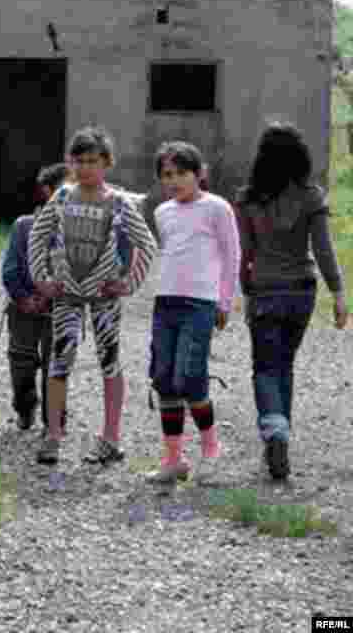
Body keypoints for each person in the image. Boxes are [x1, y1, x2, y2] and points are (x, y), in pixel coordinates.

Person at [28, 127, 157, 465]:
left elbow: (147, 244)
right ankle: (53, 435)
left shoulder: (118, 202)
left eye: (93, 161)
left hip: (104, 297)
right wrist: (42, 280)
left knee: (110, 361)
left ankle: (111, 438)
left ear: (107, 163)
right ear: (71, 163)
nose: (86, 168)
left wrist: (128, 283)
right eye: (79, 161)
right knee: (60, 359)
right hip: (66, 295)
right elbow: (37, 238)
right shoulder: (61, 198)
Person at [235, 122, 347, 480]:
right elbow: (324, 250)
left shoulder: (249, 199)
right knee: (285, 364)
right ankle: (279, 435)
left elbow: (245, 253)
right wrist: (339, 294)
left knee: (266, 367)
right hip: (301, 292)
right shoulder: (311, 196)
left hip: (265, 291)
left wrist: (244, 288)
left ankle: (275, 433)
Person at [146, 142, 240, 484]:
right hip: (165, 302)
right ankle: (174, 459)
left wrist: (225, 301)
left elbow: (232, 256)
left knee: (190, 377)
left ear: (199, 174)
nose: (174, 181)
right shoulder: (163, 212)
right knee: (164, 378)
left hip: (200, 304)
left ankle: (211, 451)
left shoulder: (218, 208)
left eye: (182, 173)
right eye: (167, 175)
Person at [2, 163, 68, 431]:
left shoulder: (81, 232)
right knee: (22, 362)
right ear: (47, 191)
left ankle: (54, 420)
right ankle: (24, 408)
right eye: (64, 189)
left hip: (60, 310)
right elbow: (10, 269)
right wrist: (24, 297)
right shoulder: (24, 226)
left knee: (58, 365)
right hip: (23, 309)